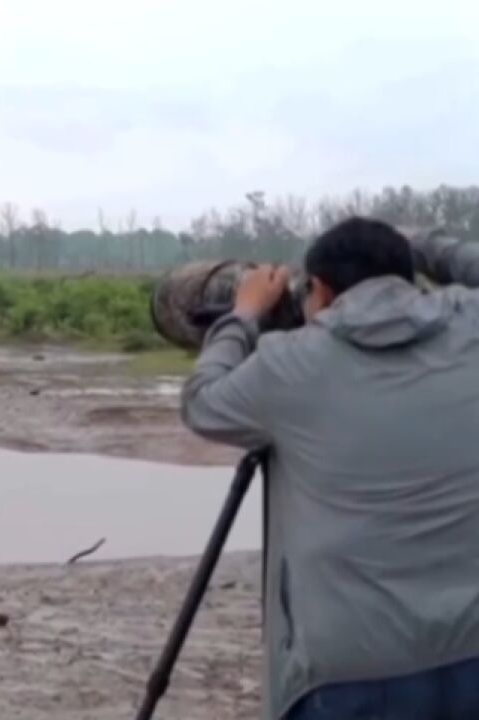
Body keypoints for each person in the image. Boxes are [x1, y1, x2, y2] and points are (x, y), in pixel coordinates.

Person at [182, 216, 479, 720]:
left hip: (350, 675)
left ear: (318, 289)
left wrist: (243, 314)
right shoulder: (468, 322)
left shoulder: (288, 365)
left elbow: (201, 402)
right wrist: (421, 242)